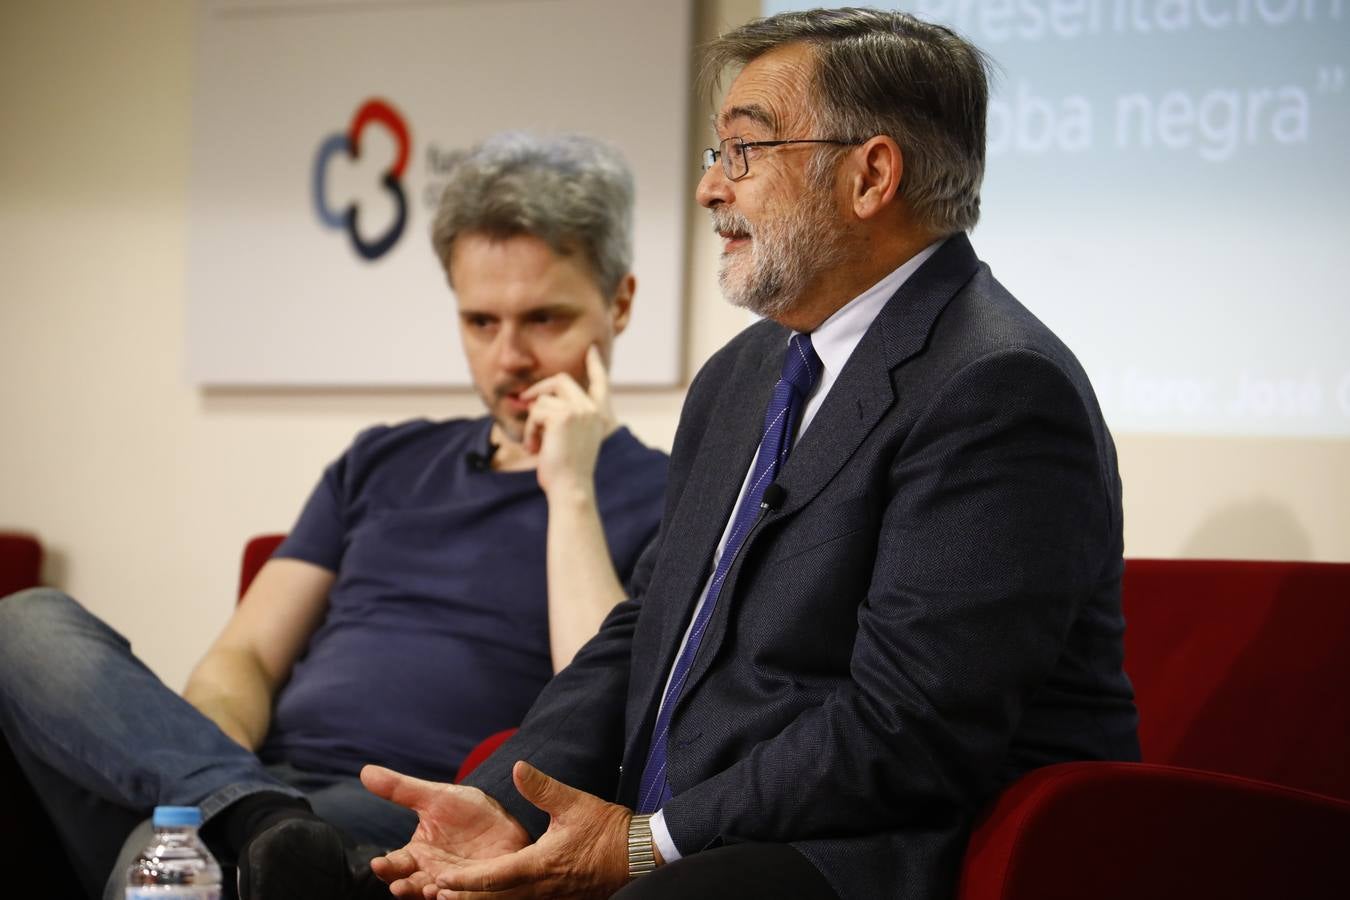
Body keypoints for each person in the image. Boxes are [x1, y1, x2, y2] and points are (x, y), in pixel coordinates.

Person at [344, 9, 1141, 900]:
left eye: (744, 152)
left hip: (873, 853)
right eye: (714, 155)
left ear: (870, 174)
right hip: (698, 836)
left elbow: (910, 729)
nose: (710, 189)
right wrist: (508, 802)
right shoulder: (742, 373)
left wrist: (648, 846)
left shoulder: (996, 388)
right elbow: (646, 629)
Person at [0, 133, 668, 900]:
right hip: (256, 789)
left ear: (619, 302)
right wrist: (208, 778)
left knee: (167, 873)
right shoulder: (381, 459)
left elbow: (596, 711)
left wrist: (572, 488)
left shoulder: (670, 491)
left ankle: (258, 844)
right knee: (26, 625)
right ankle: (255, 823)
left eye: (544, 319)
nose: (508, 355)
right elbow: (243, 658)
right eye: (480, 322)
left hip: (407, 825)